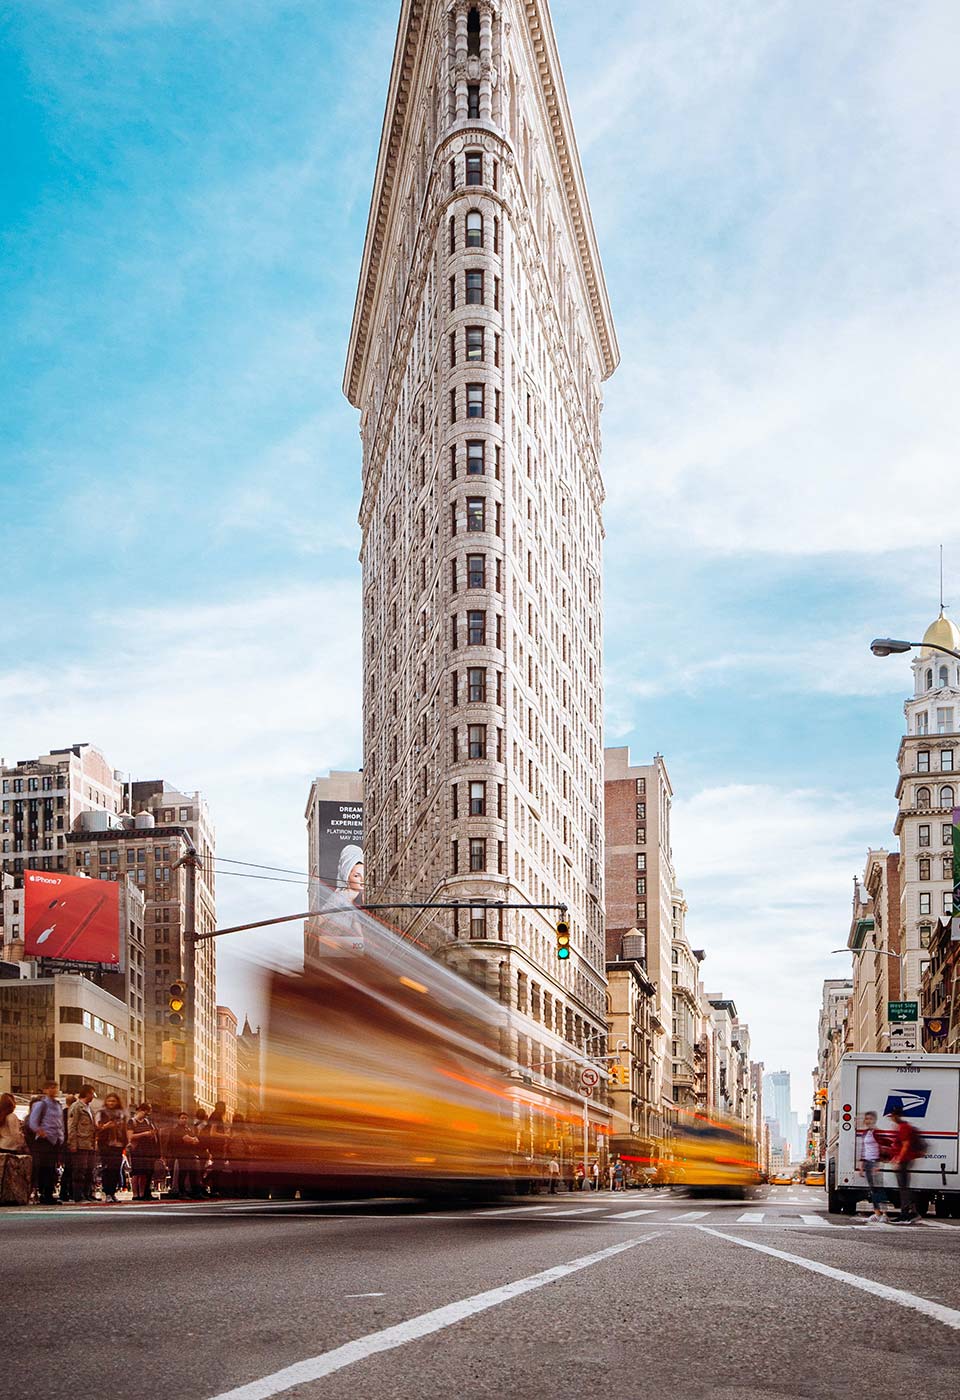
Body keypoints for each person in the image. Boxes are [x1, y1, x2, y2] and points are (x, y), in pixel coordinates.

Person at [27, 1081, 64, 1204]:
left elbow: (60, 1123)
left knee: (51, 1168)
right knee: (43, 1168)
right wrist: (40, 1131)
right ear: (45, 1090)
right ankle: (43, 1194)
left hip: (55, 1140)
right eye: (50, 1088)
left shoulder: (58, 1105)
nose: (53, 1090)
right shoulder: (41, 1104)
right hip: (44, 1141)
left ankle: (48, 1193)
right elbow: (32, 1121)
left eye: (55, 1087)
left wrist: (61, 1137)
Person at [888, 1106, 924, 1224]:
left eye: (892, 1116)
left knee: (903, 1188)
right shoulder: (901, 1127)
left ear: (896, 1116)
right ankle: (912, 1212)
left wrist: (898, 1159)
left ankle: (906, 1214)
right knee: (904, 1187)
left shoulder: (904, 1128)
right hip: (904, 1159)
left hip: (904, 1160)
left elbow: (905, 1145)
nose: (891, 1119)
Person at [67, 1085, 98, 1203]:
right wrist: (72, 1143)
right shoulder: (77, 1107)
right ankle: (78, 1195)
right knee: (80, 1170)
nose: (93, 1098)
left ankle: (87, 1193)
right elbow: (72, 1125)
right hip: (80, 1143)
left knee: (89, 1170)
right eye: (92, 1094)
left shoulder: (89, 1109)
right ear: (88, 1093)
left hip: (90, 1143)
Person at [857, 1111, 889, 1224]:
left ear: (874, 1120)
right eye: (866, 1119)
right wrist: (861, 1166)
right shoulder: (865, 1133)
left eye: (870, 1119)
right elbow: (863, 1150)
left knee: (879, 1189)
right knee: (873, 1190)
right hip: (867, 1164)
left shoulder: (878, 1132)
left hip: (875, 1163)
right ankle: (877, 1213)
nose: (868, 1121)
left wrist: (879, 1164)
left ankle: (884, 1214)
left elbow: (886, 1146)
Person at [96, 1094, 127, 1202]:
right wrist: (106, 1126)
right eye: (109, 1101)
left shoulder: (122, 1114)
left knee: (116, 1169)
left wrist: (125, 1142)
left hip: (118, 1145)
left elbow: (124, 1129)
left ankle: (113, 1192)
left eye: (113, 1101)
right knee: (107, 1169)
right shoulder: (102, 1113)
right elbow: (97, 1128)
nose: (111, 1103)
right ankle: (107, 1192)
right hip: (106, 1144)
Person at [127, 1103, 160, 1201]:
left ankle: (142, 1193)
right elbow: (130, 1137)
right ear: (139, 1110)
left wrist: (152, 1134)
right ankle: (135, 1194)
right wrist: (144, 1134)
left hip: (147, 1149)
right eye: (144, 1112)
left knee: (144, 1173)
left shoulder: (148, 1122)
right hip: (137, 1149)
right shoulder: (132, 1121)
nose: (145, 1114)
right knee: (136, 1172)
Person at [168, 1112, 202, 1199]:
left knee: (193, 1173)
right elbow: (185, 1138)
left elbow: (196, 1139)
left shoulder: (189, 1129)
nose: (184, 1119)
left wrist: (192, 1139)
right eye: (182, 1118)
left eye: (186, 1118)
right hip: (181, 1155)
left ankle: (194, 1192)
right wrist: (192, 1139)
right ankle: (181, 1192)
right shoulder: (177, 1129)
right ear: (178, 1119)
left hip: (190, 1154)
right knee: (182, 1174)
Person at [205, 1101, 229, 1197]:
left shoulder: (214, 1115)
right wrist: (225, 1135)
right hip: (215, 1146)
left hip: (215, 1146)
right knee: (218, 1167)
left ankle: (213, 1187)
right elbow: (212, 1133)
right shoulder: (216, 1116)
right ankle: (208, 1184)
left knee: (218, 1166)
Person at [228, 1113, 252, 1198]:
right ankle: (242, 1192)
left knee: (237, 1174)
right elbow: (250, 1140)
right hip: (240, 1154)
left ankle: (238, 1192)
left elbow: (228, 1140)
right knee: (242, 1173)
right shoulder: (244, 1129)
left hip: (236, 1154)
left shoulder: (232, 1129)